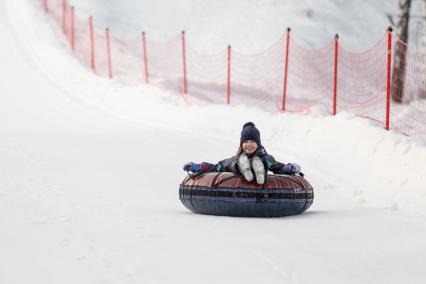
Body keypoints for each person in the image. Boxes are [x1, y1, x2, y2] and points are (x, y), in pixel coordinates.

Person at [183, 122, 301, 184]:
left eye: (252, 141)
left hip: (259, 163)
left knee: (266, 162)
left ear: (258, 144)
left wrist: (289, 168)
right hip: (239, 164)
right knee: (231, 163)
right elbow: (216, 167)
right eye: (245, 141)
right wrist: (197, 167)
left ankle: (257, 171)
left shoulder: (265, 157)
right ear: (241, 144)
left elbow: (277, 167)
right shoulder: (236, 158)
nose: (249, 144)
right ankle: (244, 169)